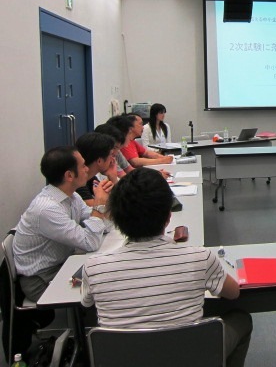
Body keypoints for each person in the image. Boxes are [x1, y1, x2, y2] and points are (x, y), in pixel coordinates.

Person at [81, 168, 253, 367]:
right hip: (188, 357)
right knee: (241, 319)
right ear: (168, 217)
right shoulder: (200, 258)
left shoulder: (94, 267)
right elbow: (233, 293)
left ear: (115, 218)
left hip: (124, 358)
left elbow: (86, 304)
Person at [13, 146, 109, 302]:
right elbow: (90, 242)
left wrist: (104, 204)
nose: (87, 169)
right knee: (102, 283)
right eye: (83, 166)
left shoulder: (72, 196)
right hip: (42, 280)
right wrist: (99, 206)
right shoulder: (47, 209)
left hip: (64, 264)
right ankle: (81, 316)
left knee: (105, 272)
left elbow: (102, 226)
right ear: (69, 175)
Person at [109, 114, 173, 168]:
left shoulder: (132, 141)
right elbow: (135, 162)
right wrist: (162, 161)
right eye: (140, 124)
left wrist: (164, 158)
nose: (143, 127)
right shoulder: (124, 144)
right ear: (131, 127)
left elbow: (146, 153)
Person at [75, 132, 118, 207]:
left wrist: (113, 177)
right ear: (99, 161)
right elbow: (99, 208)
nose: (112, 159)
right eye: (111, 155)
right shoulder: (78, 183)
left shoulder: (91, 178)